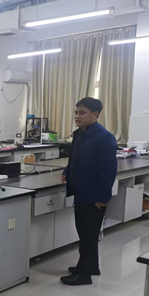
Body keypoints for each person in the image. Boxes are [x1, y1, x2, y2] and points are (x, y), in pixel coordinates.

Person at [60, 97, 117, 286]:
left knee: (88, 235)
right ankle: (91, 266)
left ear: (95, 114)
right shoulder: (79, 134)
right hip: (81, 191)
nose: (77, 116)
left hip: (94, 195)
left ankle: (84, 275)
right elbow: (75, 158)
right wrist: (67, 171)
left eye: (82, 113)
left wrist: (102, 197)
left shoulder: (104, 137)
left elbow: (108, 170)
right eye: (76, 112)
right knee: (85, 232)